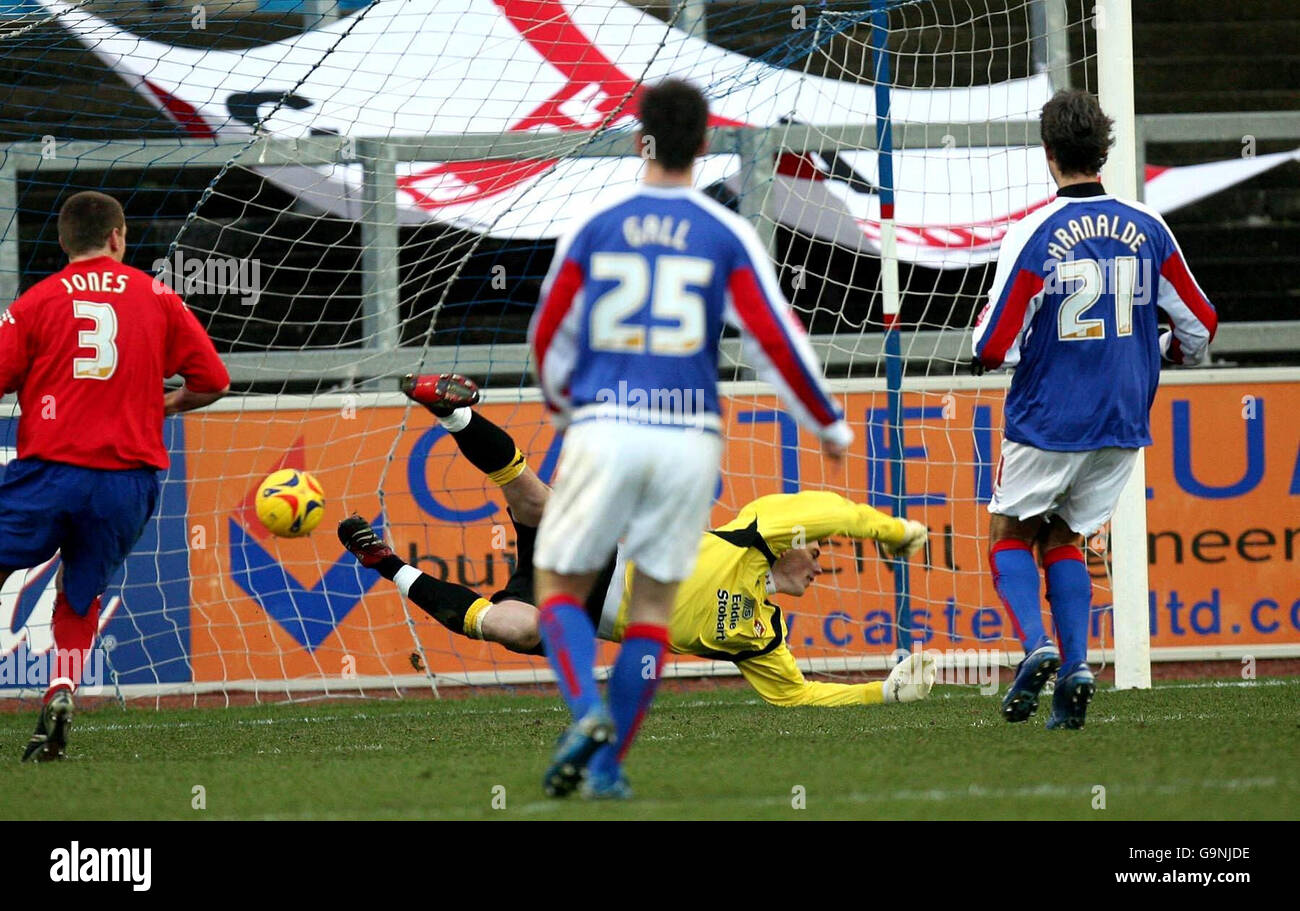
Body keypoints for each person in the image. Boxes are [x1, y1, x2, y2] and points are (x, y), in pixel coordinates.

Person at [526, 80, 853, 797]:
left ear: (640, 139)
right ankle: (607, 770)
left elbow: (549, 328)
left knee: (559, 584)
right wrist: (826, 420)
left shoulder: (598, 219)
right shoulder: (723, 230)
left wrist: (559, 403)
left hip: (607, 425)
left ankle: (586, 714)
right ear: (706, 145)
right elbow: (774, 335)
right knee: (651, 610)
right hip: (687, 436)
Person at [339, 375, 933, 731]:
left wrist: (879, 691)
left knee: (517, 629)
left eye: (821, 558)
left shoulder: (762, 636)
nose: (817, 564)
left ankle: (383, 562)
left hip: (574, 611)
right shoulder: (754, 536)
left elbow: (798, 694)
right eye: (815, 553)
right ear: (789, 548)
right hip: (599, 558)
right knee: (535, 503)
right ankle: (452, 412)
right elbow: (833, 512)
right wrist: (889, 530)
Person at [971, 90, 1217, 729]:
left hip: (1051, 414)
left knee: (1009, 533)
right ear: (1103, 151)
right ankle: (1076, 667)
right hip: (1122, 415)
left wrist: (988, 348)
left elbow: (992, 345)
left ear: (1049, 154)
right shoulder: (1149, 227)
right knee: (1068, 536)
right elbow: (1202, 323)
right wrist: (1174, 355)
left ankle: (1037, 645)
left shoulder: (1033, 232)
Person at [0, 191, 230, 761]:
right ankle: (61, 687)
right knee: (81, 593)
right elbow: (214, 380)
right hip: (128, 480)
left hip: (51, 470)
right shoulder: (158, 296)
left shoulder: (36, 301)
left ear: (62, 240)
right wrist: (165, 406)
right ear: (119, 236)